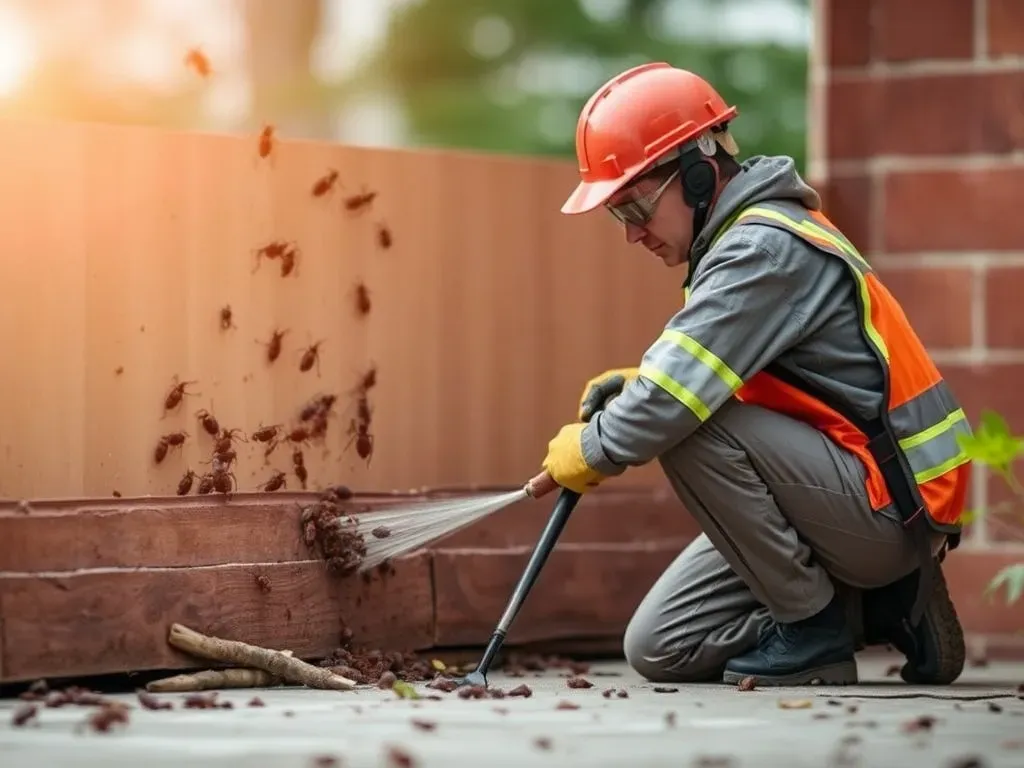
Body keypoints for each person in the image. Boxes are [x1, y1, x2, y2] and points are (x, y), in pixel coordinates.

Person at [539, 62, 971, 687]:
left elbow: (674, 400)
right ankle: (877, 606)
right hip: (858, 493)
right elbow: (759, 381)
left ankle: (815, 631)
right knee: (660, 647)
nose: (632, 233)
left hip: (888, 512)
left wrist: (593, 446)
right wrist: (640, 385)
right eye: (616, 214)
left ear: (697, 174)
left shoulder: (761, 249)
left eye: (635, 205)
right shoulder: (743, 242)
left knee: (683, 421)